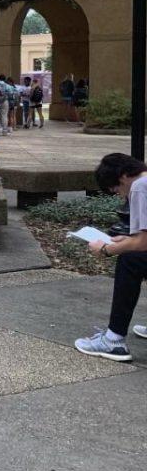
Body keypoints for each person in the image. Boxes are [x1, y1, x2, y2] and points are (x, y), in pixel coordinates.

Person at [74, 153, 147, 361]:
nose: (118, 195)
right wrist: (126, 241)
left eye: (115, 189)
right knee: (134, 254)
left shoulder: (140, 186)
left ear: (123, 177)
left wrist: (106, 249)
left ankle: (113, 339)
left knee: (130, 261)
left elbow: (143, 243)